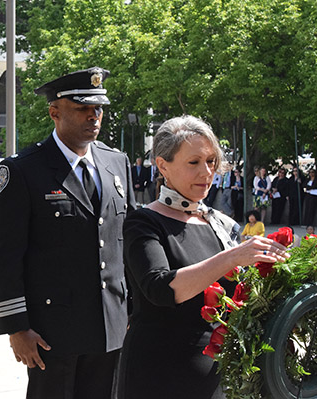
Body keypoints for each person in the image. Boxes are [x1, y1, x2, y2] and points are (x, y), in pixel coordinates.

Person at [0, 67, 136, 399]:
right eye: (83, 108)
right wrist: (16, 327)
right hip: (52, 332)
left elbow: (126, 241)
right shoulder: (24, 170)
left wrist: (132, 309)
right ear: (55, 112)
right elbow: (3, 254)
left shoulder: (116, 163)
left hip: (111, 325)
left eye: (98, 108)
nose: (94, 116)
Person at [117, 115, 289, 399]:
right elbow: (160, 289)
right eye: (194, 162)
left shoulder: (220, 224)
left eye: (211, 161)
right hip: (158, 375)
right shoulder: (143, 222)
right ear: (163, 166)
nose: (207, 172)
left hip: (216, 378)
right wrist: (232, 257)